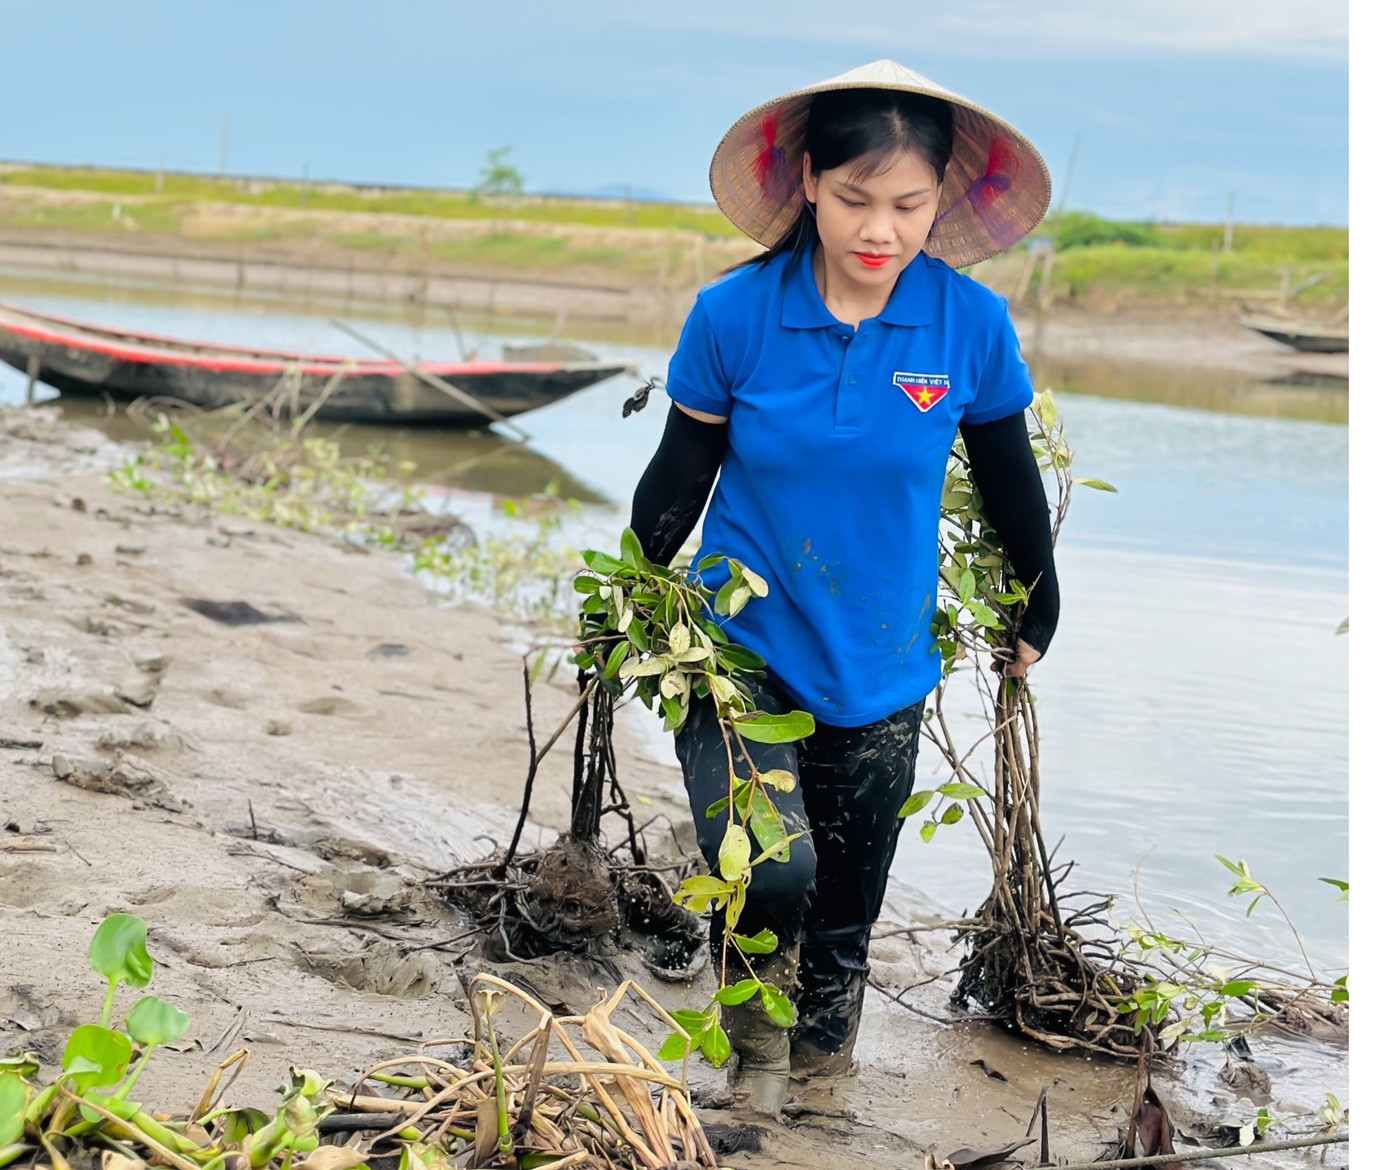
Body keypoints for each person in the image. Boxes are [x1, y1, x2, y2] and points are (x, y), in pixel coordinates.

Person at [627, 60, 1060, 1113]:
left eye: (908, 205)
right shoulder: (734, 315)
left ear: (940, 203)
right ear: (809, 182)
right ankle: (752, 1066)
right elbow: (679, 475)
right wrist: (635, 600)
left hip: (881, 657)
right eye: (856, 199)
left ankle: (821, 1082)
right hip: (735, 648)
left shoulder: (967, 326)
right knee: (771, 866)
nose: (881, 228)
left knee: (845, 907)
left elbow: (1009, 481)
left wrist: (1036, 600)